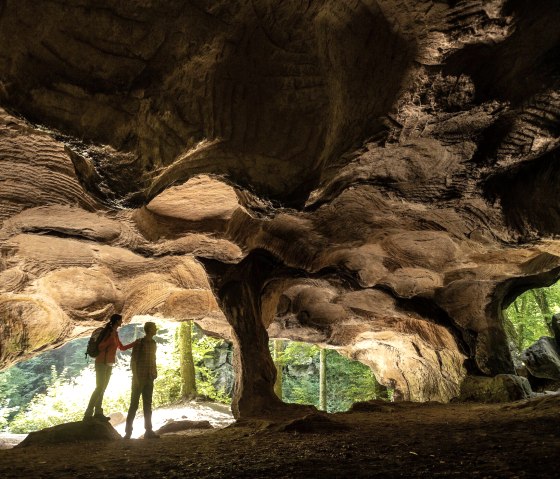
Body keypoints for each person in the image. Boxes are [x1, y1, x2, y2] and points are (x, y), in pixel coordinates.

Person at [83, 314, 134, 421]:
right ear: (116, 321)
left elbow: (122, 347)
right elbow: (101, 346)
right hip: (101, 363)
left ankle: (98, 413)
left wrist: (135, 343)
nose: (122, 322)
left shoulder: (115, 333)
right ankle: (88, 414)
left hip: (109, 364)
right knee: (99, 388)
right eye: (120, 320)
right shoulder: (108, 332)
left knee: (103, 388)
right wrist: (110, 339)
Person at [124, 321, 159, 439]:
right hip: (139, 378)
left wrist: (155, 372)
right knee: (134, 405)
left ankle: (148, 431)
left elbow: (153, 359)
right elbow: (133, 361)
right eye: (154, 328)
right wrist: (136, 378)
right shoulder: (139, 343)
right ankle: (128, 432)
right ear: (149, 330)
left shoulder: (154, 343)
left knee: (147, 405)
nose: (156, 329)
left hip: (149, 378)